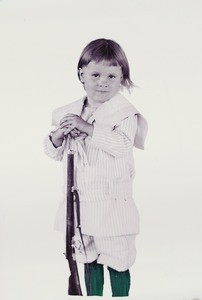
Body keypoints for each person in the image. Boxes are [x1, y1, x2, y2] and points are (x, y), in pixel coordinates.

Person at [44, 38, 148, 297]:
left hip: (112, 202)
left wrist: (87, 128)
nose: (103, 81)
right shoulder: (70, 112)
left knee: (117, 256)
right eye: (95, 74)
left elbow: (122, 145)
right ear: (82, 74)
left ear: (122, 77)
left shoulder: (125, 114)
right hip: (82, 202)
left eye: (112, 75)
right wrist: (58, 137)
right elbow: (55, 152)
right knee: (87, 255)